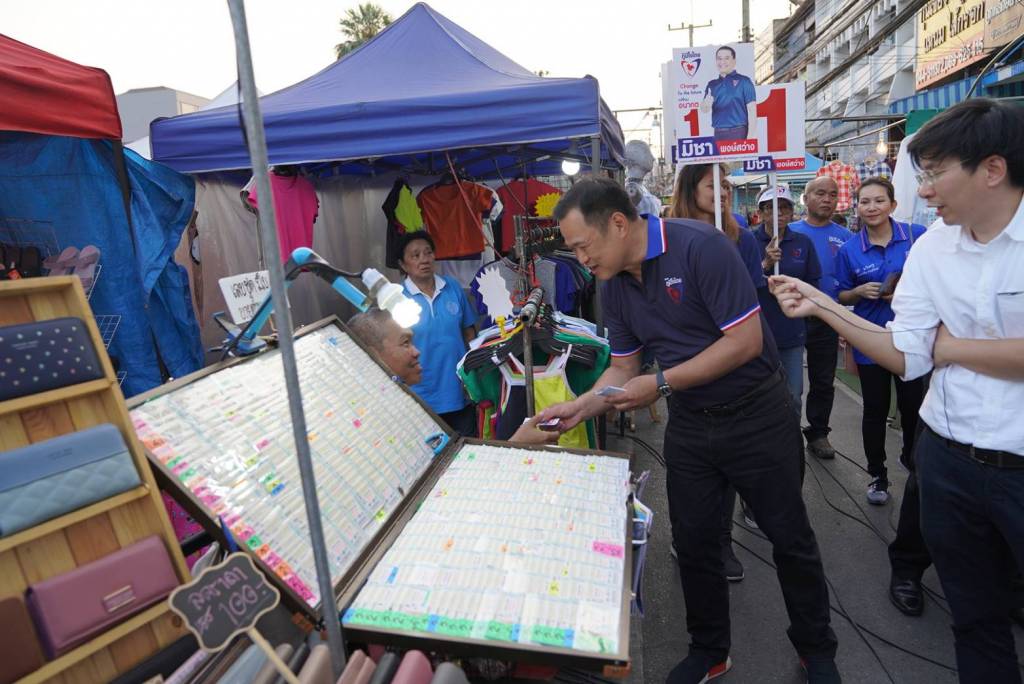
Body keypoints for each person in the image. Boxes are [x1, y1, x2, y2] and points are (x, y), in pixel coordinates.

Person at [542, 177, 840, 684]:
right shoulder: (614, 284)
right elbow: (623, 367)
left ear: (618, 223)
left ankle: (816, 647)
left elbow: (744, 342)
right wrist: (581, 407)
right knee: (695, 541)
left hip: (757, 415)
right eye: (573, 250)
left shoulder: (701, 247)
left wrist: (660, 383)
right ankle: (709, 649)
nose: (581, 259)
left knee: (789, 536)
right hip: (691, 422)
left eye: (583, 246)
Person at [770, 98, 1024, 683]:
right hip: (949, 460)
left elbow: (928, 349)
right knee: (974, 620)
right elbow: (907, 351)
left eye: (935, 173)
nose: (924, 190)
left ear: (992, 169)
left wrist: (949, 348)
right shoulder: (933, 247)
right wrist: (823, 304)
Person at [669, 162, 767, 577]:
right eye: (714, 185)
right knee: (690, 471)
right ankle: (688, 539)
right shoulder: (668, 236)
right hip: (687, 368)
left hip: (737, 366)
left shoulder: (741, 237)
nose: (724, 192)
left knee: (731, 459)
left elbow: (753, 303)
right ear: (691, 189)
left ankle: (723, 541)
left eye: (726, 184)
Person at [835, 178, 927, 506]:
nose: (872, 207)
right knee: (874, 409)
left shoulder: (917, 236)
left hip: (911, 337)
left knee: (913, 407)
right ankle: (877, 473)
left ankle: (912, 460)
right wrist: (858, 292)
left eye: (879, 200)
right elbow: (840, 295)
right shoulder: (849, 249)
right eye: (865, 202)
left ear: (893, 204)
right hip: (870, 339)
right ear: (856, 207)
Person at [347, 309, 556, 445]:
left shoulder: (402, 407)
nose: (416, 352)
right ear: (372, 354)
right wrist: (516, 444)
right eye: (405, 343)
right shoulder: (377, 426)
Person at [789, 177, 853, 460]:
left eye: (832, 194)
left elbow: (850, 280)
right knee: (787, 382)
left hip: (827, 316)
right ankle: (785, 433)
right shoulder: (789, 232)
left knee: (823, 380)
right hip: (791, 316)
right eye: (820, 193)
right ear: (805, 199)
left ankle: (818, 433)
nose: (827, 199)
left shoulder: (846, 237)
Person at [397, 232, 478, 437]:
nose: (424, 259)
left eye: (428, 253)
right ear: (403, 265)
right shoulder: (397, 298)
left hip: (459, 391)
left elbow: (470, 334)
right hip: (420, 396)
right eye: (415, 255)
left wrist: (475, 378)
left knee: (467, 447)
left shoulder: (452, 287)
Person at [753, 185, 820, 415]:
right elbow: (739, 285)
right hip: (757, 333)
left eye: (784, 207)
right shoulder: (748, 241)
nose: (779, 213)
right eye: (771, 208)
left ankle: (792, 437)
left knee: (793, 394)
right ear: (760, 213)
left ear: (792, 212)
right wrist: (765, 264)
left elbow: (813, 284)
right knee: (759, 397)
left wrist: (795, 293)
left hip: (791, 332)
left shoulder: (803, 242)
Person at [700, 46, 757, 142]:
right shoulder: (712, 84)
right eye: (719, 58)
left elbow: (752, 110)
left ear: (734, 61)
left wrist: (750, 138)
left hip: (739, 132)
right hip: (718, 133)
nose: (722, 62)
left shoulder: (744, 81)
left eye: (727, 58)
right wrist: (706, 104)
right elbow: (704, 109)